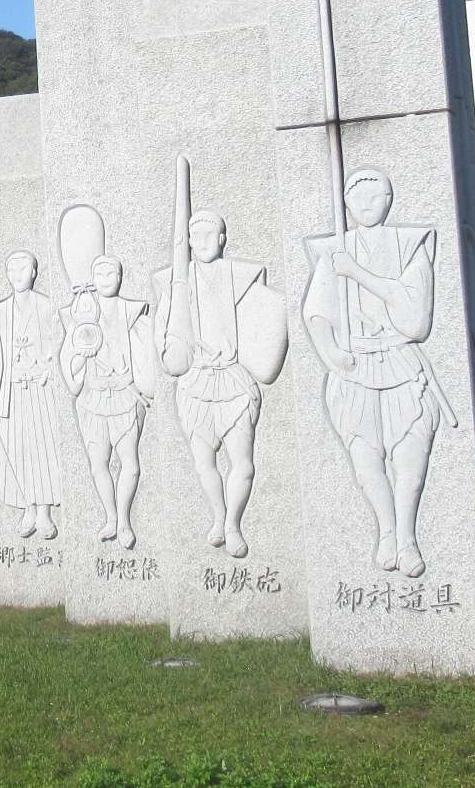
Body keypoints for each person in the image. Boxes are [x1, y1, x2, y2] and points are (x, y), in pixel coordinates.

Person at [301, 166, 451, 578]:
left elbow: (416, 321)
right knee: (365, 457)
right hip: (355, 367)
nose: (366, 206)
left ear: (389, 200)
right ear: (346, 205)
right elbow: (316, 314)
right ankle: (386, 530)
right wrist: (332, 353)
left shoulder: (410, 246)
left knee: (410, 455)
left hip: (401, 361)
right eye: (357, 199)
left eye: (376, 197)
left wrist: (358, 273)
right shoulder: (336, 249)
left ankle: (408, 536)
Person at [154, 211, 287, 559]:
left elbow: (265, 317)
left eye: (209, 235)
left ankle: (233, 524)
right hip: (196, 381)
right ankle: (217, 516)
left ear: (222, 238)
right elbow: (164, 331)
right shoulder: (175, 283)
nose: (202, 242)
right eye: (194, 237)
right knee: (203, 460)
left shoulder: (240, 275)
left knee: (242, 459)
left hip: (232, 377)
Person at [61, 254, 157, 545]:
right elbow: (68, 358)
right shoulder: (82, 315)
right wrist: (79, 356)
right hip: (92, 397)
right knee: (98, 462)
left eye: (112, 274)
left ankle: (125, 520)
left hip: (125, 396)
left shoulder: (131, 312)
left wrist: (142, 383)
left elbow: (144, 353)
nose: (106, 279)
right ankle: (111, 517)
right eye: (100, 274)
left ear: (120, 277)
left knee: (131, 461)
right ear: (93, 279)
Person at [0, 249, 66, 539]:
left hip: (39, 390)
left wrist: (52, 368)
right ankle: (27, 507)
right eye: (11, 270)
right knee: (18, 449)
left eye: (23, 269)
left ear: (35, 273)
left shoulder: (48, 307)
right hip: (11, 393)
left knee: (43, 448)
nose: (17, 276)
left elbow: (61, 344)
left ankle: (45, 512)